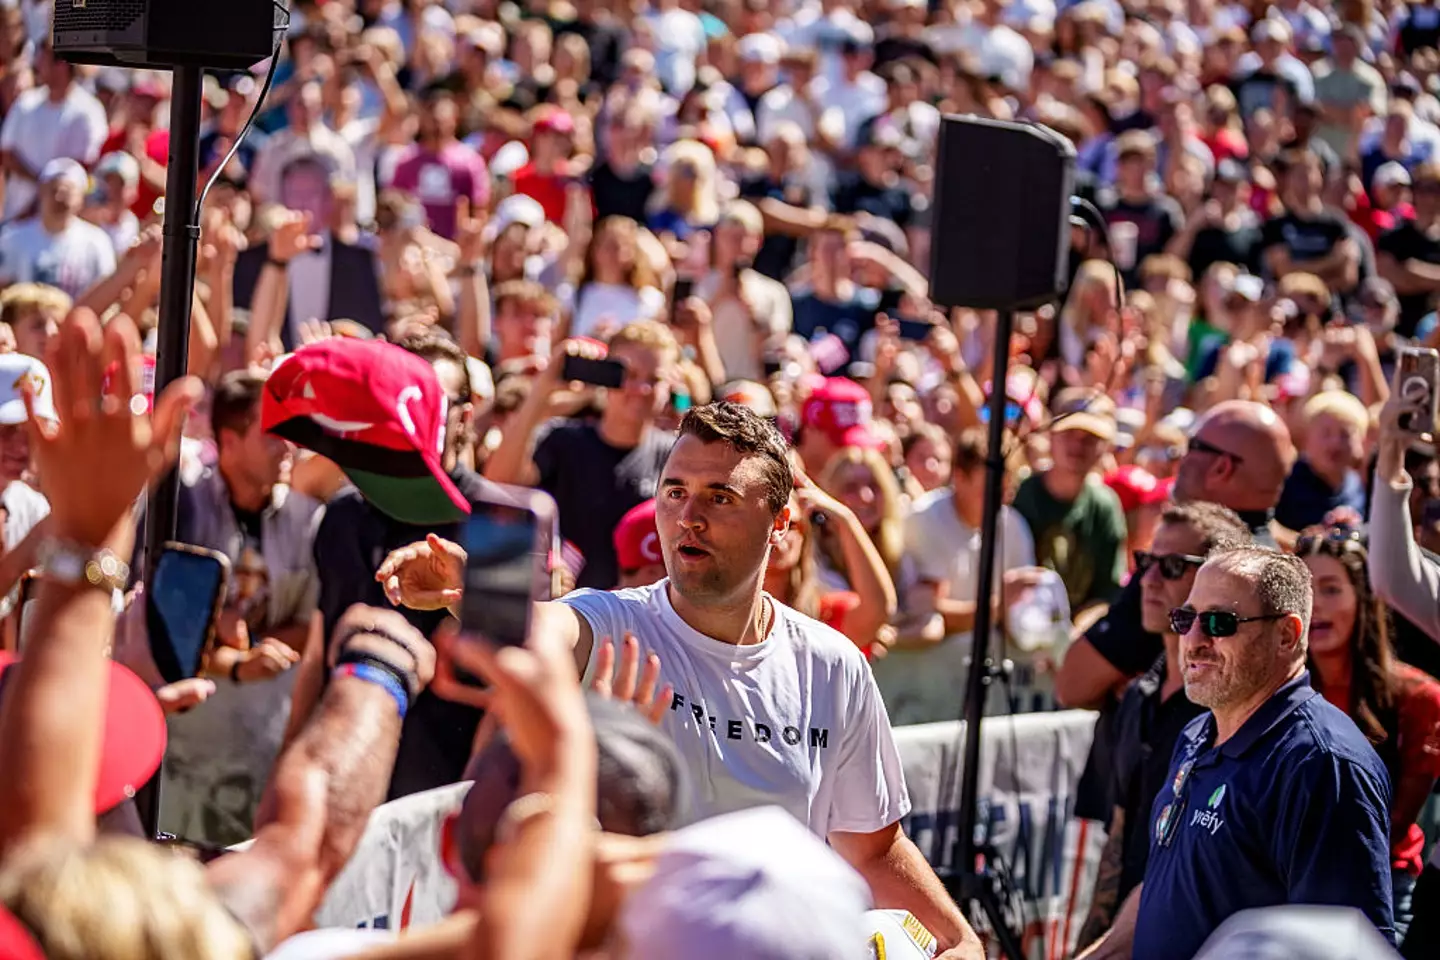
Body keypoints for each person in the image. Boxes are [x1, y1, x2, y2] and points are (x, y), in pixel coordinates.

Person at [378, 401, 985, 958]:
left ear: (779, 524)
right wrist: (480, 592)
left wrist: (958, 940)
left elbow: (873, 846)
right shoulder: (614, 621)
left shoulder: (832, 665)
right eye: (674, 491)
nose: (688, 517)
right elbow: (542, 632)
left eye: (720, 497)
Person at [1079, 547, 1396, 959]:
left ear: (1287, 634)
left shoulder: (1321, 764)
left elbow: (1346, 948)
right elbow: (1170, 884)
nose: (1192, 640)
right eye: (1186, 618)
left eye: (1219, 622)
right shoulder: (1197, 732)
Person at [1077, 502, 1254, 949]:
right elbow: (1120, 837)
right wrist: (1092, 941)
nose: (1149, 580)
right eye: (1146, 562)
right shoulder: (1139, 693)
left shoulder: (1229, 709)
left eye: (1173, 566)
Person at [1296, 526, 1440, 941]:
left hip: (1383, 889)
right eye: (1306, 591)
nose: (1316, 607)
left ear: (1364, 598)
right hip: (1285, 882)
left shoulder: (1418, 699)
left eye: (1331, 589)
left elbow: (1392, 825)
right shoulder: (1273, 695)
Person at [485, 322, 678, 590]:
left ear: (670, 386)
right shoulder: (563, 440)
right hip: (568, 612)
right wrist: (544, 387)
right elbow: (498, 484)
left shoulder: (675, 456)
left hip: (641, 616)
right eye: (629, 374)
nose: (641, 389)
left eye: (654, 379)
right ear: (605, 375)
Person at [878, 428, 1036, 725]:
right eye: (988, 492)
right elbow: (931, 615)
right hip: (921, 692)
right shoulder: (924, 520)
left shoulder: (1014, 526)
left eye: (1007, 491)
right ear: (959, 478)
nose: (998, 503)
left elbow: (1024, 611)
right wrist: (999, 607)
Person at [1011, 388, 1128, 614]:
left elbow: (1107, 593)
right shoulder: (1020, 493)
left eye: (1091, 438)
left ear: (1106, 447)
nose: (1078, 445)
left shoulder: (1104, 506)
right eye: (1070, 434)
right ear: (1050, 435)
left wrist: (1075, 637)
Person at [0, 40, 106, 223]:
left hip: (62, 222)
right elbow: (7, 154)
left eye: (44, 59)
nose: (37, 65)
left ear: (62, 64)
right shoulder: (26, 102)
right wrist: (41, 184)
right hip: (15, 218)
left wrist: (44, 197)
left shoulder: (88, 111)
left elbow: (82, 166)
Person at [0, 158, 116, 300]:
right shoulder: (12, 238)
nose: (59, 196)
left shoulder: (97, 242)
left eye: (68, 191)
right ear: (41, 191)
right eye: (54, 189)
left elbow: (106, 291)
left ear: (81, 197)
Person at [1276, 390, 1370, 532]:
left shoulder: (1355, 485)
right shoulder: (1285, 482)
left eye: (1345, 435)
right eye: (1326, 433)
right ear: (1307, 437)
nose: (1335, 443)